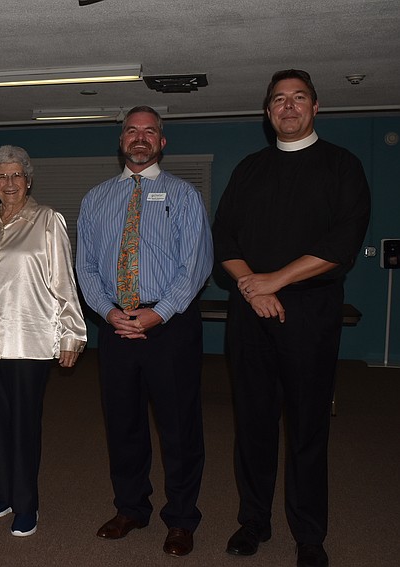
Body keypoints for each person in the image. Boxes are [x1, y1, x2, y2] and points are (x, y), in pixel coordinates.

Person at [213, 69, 370, 567]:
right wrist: (251, 286)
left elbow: (341, 246)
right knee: (254, 425)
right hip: (250, 310)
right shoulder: (249, 170)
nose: (288, 106)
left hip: (310, 313)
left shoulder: (342, 167)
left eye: (298, 98)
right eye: (278, 99)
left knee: (306, 427)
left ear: (316, 107)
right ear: (267, 112)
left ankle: (309, 535)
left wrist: (273, 281)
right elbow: (225, 241)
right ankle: (253, 522)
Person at [76, 106, 213, 557]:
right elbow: (87, 268)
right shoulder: (95, 199)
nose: (140, 138)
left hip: (169, 326)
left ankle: (181, 519)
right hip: (115, 326)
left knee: (178, 427)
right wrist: (107, 312)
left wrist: (161, 313)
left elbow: (195, 265)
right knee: (123, 425)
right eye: (132, 131)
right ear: (121, 141)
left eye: (149, 131)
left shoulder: (184, 195)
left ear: (161, 141)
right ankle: (131, 508)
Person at [0, 145, 86, 537]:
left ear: (28, 181)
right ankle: (6, 495)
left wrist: (72, 333)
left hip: (29, 339)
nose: (9, 182)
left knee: (24, 424)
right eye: (2, 176)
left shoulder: (48, 221)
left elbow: (64, 279)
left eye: (17, 176)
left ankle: (28, 505)